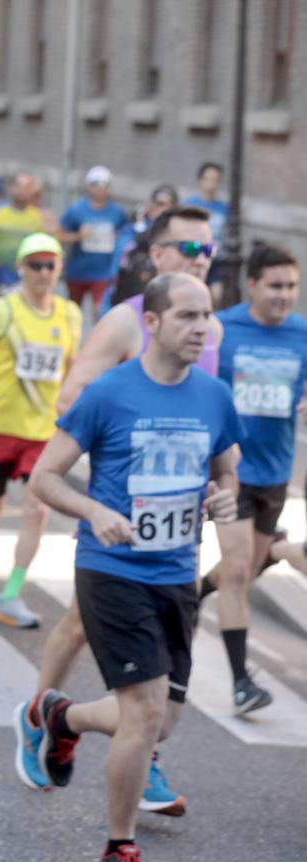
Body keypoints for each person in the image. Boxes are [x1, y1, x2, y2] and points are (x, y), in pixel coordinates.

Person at [27, 273, 240, 862]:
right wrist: (93, 512)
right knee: (144, 711)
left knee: (161, 722)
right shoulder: (109, 395)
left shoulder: (214, 396)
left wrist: (222, 499)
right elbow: (45, 477)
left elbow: (225, 471)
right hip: (112, 569)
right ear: (152, 323)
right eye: (188, 316)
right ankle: (119, 851)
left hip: (177, 575)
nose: (202, 328)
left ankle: (61, 716)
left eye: (206, 316)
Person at [12, 203, 228, 814]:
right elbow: (75, 392)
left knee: (147, 681)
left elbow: (211, 414)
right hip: (118, 520)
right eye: (189, 250)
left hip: (175, 529)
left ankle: (131, 744)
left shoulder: (210, 328)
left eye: (209, 250)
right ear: (155, 256)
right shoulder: (127, 322)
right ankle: (43, 712)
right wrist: (120, 458)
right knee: (80, 627)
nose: (202, 259)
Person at [199, 244, 307, 714]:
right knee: (240, 568)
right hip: (233, 469)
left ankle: (199, 592)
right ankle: (242, 682)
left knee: (250, 564)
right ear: (253, 285)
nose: (285, 295)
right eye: (276, 286)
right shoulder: (224, 329)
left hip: (277, 471)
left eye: (292, 286)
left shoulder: (304, 334)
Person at [0, 234, 82, 628]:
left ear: (59, 269)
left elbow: (75, 370)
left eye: (50, 265)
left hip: (43, 433)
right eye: (36, 265)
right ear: (22, 269)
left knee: (37, 509)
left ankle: (10, 593)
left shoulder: (70, 315)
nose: (44, 273)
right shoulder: (1, 313)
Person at [58, 166, 129, 319]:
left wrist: (117, 240)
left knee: (100, 311)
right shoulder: (77, 210)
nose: (100, 189)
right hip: (78, 271)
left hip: (103, 272)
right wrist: (78, 236)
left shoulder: (117, 212)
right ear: (88, 186)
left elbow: (126, 237)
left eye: (105, 185)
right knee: (73, 313)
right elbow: (59, 235)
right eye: (96, 184)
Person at [0, 173, 48, 289]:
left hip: (24, 278)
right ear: (11, 188)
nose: (21, 190)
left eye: (27, 187)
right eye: (18, 186)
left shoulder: (39, 216)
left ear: (32, 191)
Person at [184, 162, 229, 304]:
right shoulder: (189, 204)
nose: (211, 184)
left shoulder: (224, 208)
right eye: (208, 179)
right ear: (201, 180)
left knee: (216, 295)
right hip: (195, 255)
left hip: (214, 257)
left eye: (215, 180)